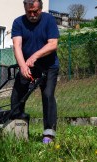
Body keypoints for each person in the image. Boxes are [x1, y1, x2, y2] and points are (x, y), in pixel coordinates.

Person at [11, 0, 59, 144]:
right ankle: (16, 129)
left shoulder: (49, 20)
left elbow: (53, 44)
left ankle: (49, 133)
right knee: (18, 95)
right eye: (29, 12)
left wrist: (35, 56)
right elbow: (17, 45)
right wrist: (22, 66)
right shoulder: (18, 22)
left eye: (35, 11)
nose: (32, 15)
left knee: (48, 94)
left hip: (48, 65)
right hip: (28, 65)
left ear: (41, 9)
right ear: (25, 9)